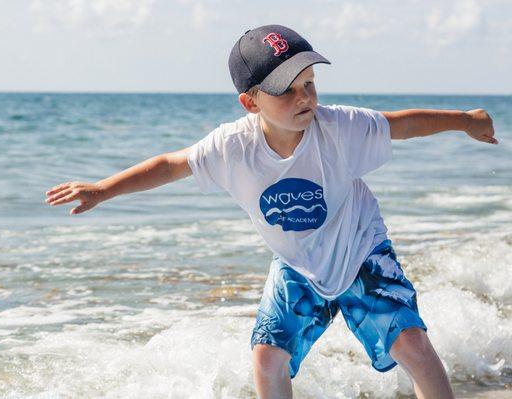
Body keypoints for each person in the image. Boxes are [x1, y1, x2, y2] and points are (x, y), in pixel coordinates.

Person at [44, 24, 497, 399]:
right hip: (297, 264)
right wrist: (103, 189)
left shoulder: (339, 128)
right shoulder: (231, 147)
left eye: (309, 84)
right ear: (250, 101)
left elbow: (401, 124)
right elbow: (172, 164)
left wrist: (465, 121)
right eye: (286, 90)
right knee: (267, 357)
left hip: (360, 249)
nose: (305, 97)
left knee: (412, 345)